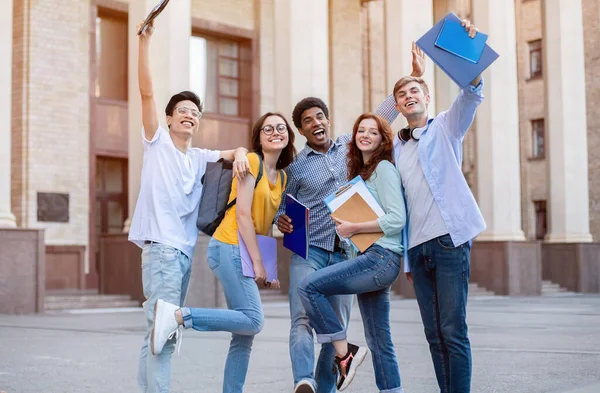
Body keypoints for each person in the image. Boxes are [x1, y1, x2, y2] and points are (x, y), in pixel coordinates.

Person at [276, 42, 426, 393]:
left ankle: (326, 387)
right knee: (302, 313)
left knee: (336, 327)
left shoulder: (350, 144)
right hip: (310, 247)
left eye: (319, 116)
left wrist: (413, 77)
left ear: (327, 120)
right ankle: (304, 379)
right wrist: (281, 221)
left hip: (349, 249)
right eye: (307, 121)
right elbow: (282, 206)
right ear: (301, 130)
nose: (316, 123)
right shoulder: (296, 168)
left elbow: (380, 115)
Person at [129, 21, 250, 393]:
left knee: (157, 330)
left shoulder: (198, 157)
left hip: (182, 254)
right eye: (182, 109)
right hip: (163, 250)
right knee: (164, 334)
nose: (189, 114)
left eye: (195, 112)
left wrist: (243, 152)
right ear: (169, 119)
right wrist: (145, 42)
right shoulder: (158, 143)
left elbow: (231, 152)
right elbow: (147, 93)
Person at [151, 112, 297, 393]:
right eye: (268, 128)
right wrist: (257, 264)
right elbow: (242, 215)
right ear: (259, 137)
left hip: (243, 250)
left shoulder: (282, 177)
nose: (275, 132)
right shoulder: (252, 162)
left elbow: (262, 222)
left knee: (243, 335)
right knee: (253, 320)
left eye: (281, 128)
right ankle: (180, 316)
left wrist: (267, 267)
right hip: (229, 245)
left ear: (288, 135)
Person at [379, 20, 484, 393]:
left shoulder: (445, 127)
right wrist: (410, 74)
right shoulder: (394, 148)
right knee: (433, 334)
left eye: (414, 91)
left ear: (426, 97)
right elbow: (375, 122)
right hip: (417, 248)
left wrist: (466, 45)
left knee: (453, 330)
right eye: (402, 94)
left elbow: (471, 93)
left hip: (449, 242)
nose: (408, 96)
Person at [297, 113, 406, 392]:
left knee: (309, 286)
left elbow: (397, 219)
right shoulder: (363, 174)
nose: (365, 135)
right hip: (369, 258)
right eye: (361, 130)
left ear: (383, 139)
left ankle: (344, 353)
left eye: (373, 131)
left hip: (381, 258)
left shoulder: (384, 168)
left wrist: (354, 226)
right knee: (379, 338)